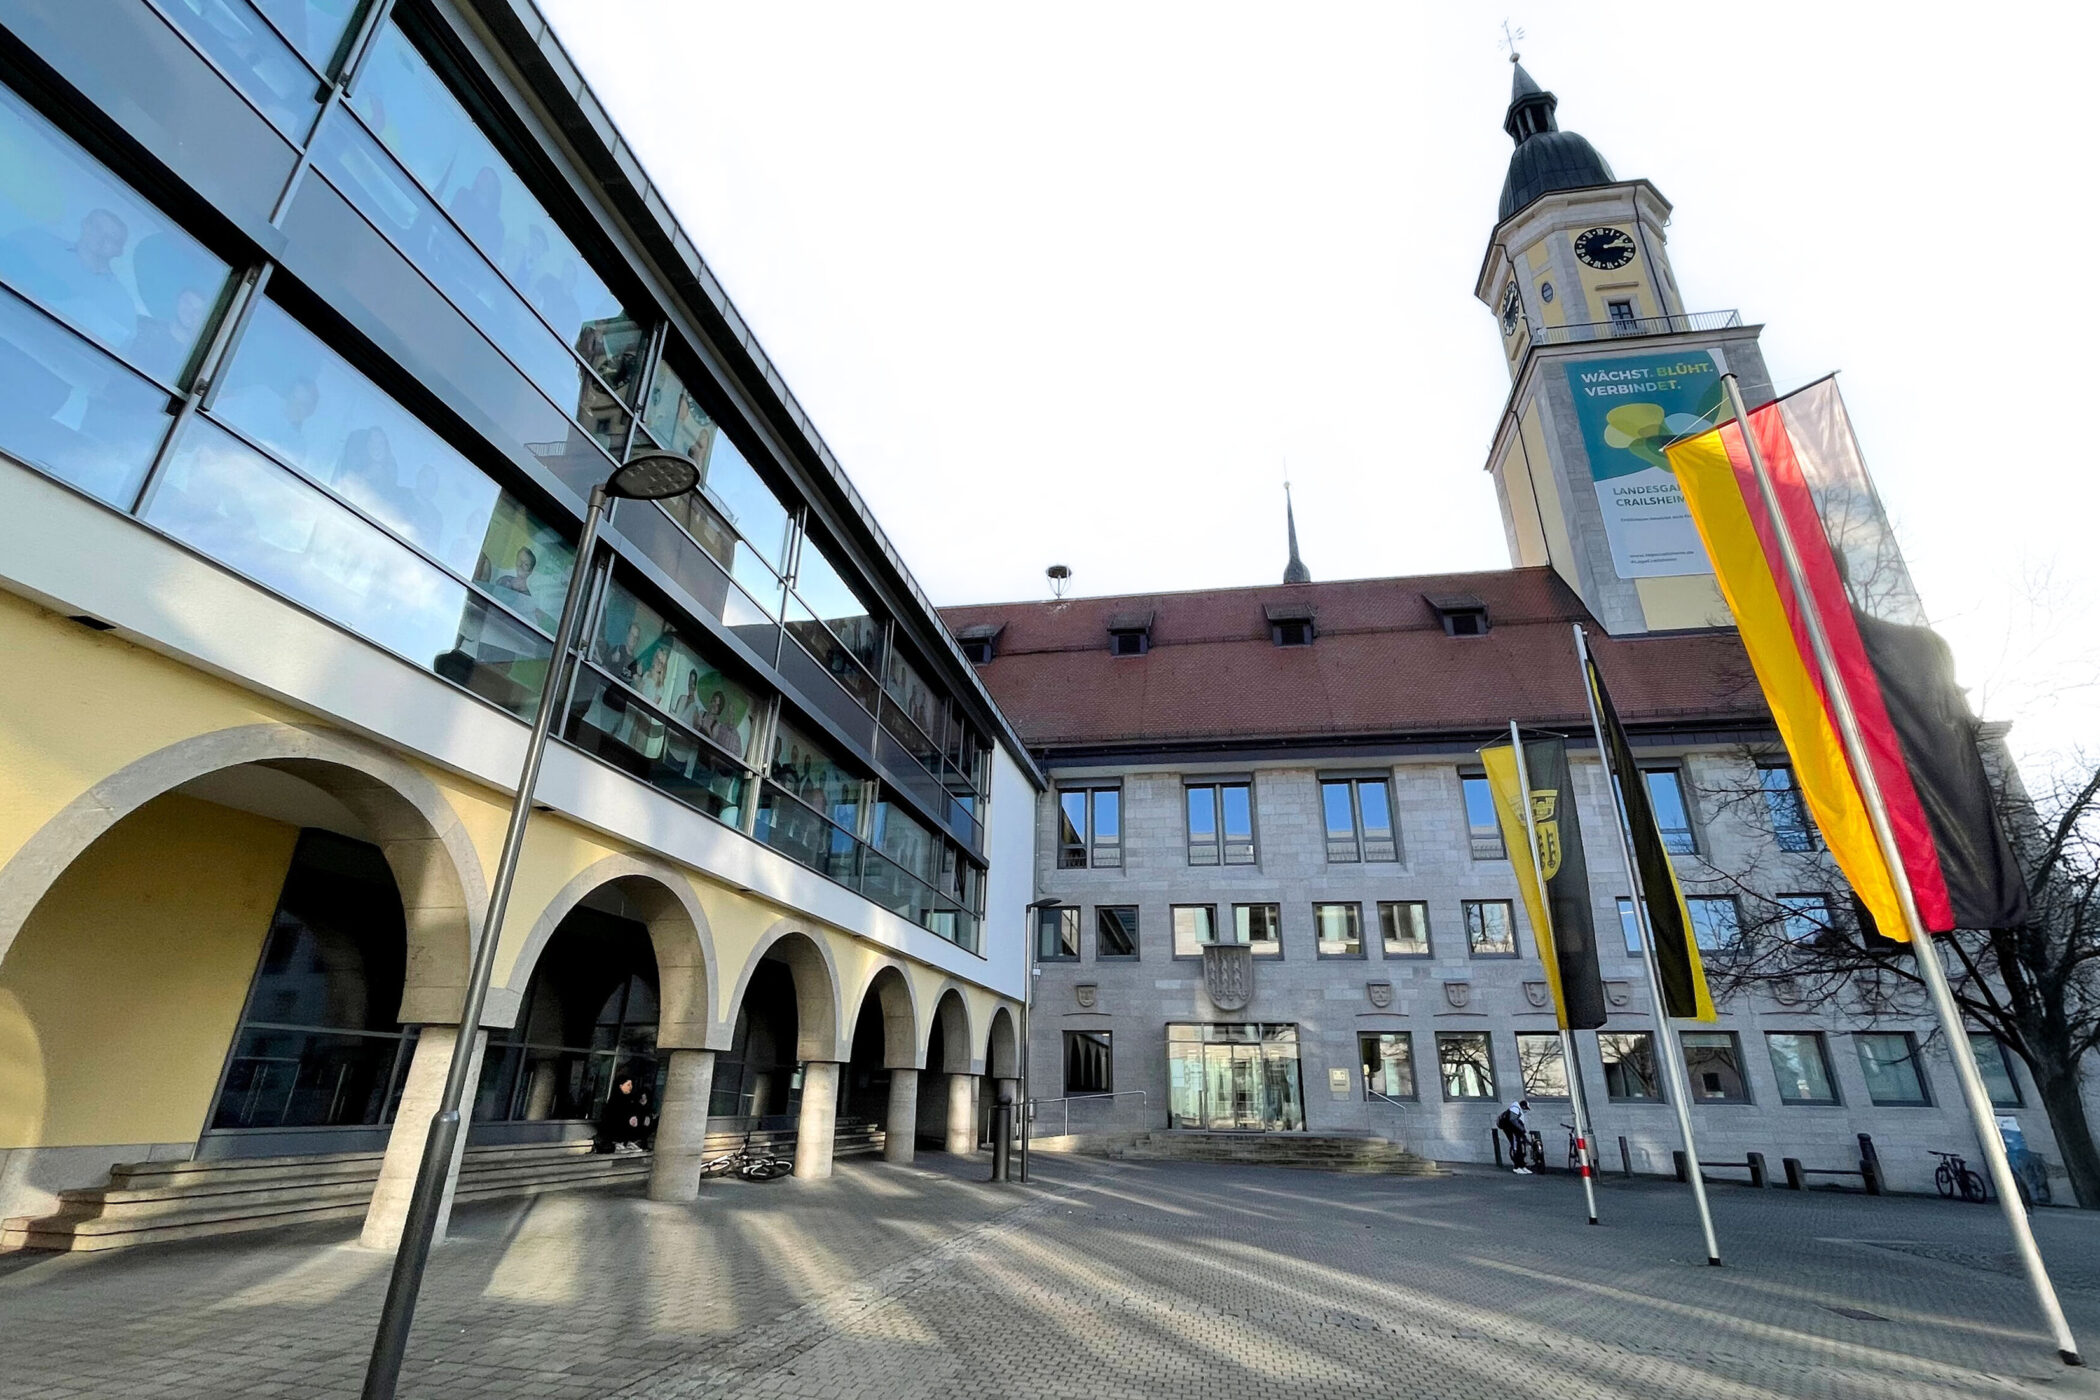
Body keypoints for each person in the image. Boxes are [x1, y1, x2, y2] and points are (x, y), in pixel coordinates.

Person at [595, 1063, 656, 1155]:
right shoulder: (615, 1100)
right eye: (628, 1085)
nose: (630, 1087)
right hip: (614, 1132)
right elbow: (611, 1117)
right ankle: (617, 1144)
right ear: (620, 1086)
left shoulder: (630, 1100)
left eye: (631, 1085)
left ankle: (628, 1143)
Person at [1496, 1098, 1532, 1175]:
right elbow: (1513, 1120)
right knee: (1516, 1147)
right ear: (1523, 1106)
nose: (1526, 1111)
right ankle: (1517, 1167)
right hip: (1512, 1131)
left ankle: (1522, 1166)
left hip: (1514, 1131)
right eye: (1526, 1109)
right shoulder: (1515, 1109)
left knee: (1520, 1147)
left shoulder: (1517, 1109)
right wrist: (1521, 1129)